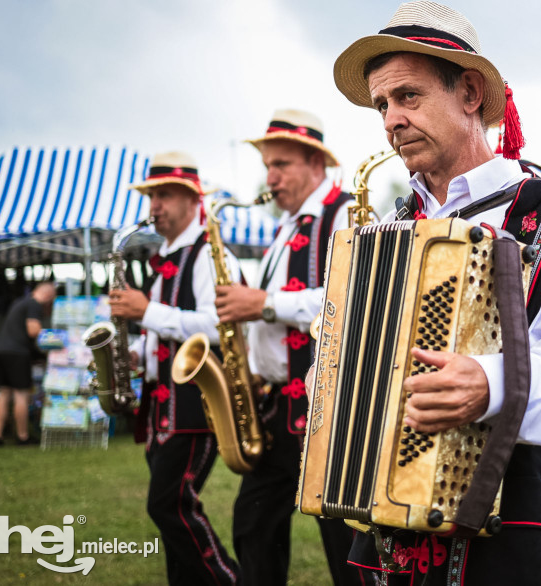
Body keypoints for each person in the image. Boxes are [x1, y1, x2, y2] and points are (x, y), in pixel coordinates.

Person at [319, 0, 541, 584]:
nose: (390, 120)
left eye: (408, 96)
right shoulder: (393, 222)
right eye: (382, 104)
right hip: (387, 495)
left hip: (506, 502)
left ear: (471, 95)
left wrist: (491, 381)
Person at [214, 109, 360, 586]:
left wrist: (263, 303)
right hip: (279, 405)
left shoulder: (344, 212)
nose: (270, 177)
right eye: (268, 166)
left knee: (343, 540)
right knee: (253, 526)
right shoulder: (287, 225)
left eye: (281, 165)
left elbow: (350, 297)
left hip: (325, 404)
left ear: (315, 163)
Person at [108, 152, 241, 585]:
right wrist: (140, 353)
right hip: (162, 407)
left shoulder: (208, 255)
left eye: (164, 195)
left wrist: (147, 312)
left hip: (194, 407)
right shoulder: (163, 258)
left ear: (190, 200)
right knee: (171, 519)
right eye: (151, 196)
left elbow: (220, 330)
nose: (154, 206)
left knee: (169, 506)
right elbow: (168, 327)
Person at [0, 280, 55, 445]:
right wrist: (54, 338)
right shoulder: (34, 304)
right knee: (21, 394)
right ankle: (22, 436)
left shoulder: (20, 301)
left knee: (5, 394)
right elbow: (33, 330)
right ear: (48, 295)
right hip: (17, 353)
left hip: (1, 351)